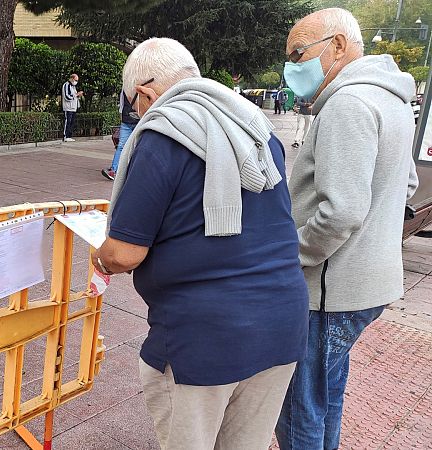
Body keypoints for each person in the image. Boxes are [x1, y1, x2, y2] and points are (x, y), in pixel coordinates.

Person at [92, 37, 308, 449]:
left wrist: (99, 256)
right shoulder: (256, 126)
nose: (136, 113)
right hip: (282, 321)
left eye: (132, 104)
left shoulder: (163, 134)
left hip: (205, 337)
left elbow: (124, 253)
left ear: (145, 93)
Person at [277, 8, 418, 450]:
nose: (292, 66)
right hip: (365, 284)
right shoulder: (389, 99)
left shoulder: (348, 103)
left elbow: (341, 212)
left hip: (328, 289)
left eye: (298, 53)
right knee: (325, 393)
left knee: (300, 409)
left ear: (337, 46)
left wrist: (293, 254)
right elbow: (407, 183)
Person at [102, 87, 145, 180]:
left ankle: (114, 170)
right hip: (139, 120)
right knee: (139, 146)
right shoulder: (144, 87)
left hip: (127, 120)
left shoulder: (125, 87)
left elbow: (121, 104)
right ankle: (137, 172)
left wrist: (122, 117)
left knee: (121, 146)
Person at [62, 73, 83, 142]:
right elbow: (67, 96)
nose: (76, 82)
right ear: (72, 78)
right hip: (68, 107)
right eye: (75, 80)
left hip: (73, 108)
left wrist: (77, 95)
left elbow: (74, 96)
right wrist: (76, 95)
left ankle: (69, 136)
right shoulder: (66, 85)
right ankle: (65, 136)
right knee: (68, 121)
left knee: (72, 122)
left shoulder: (73, 87)